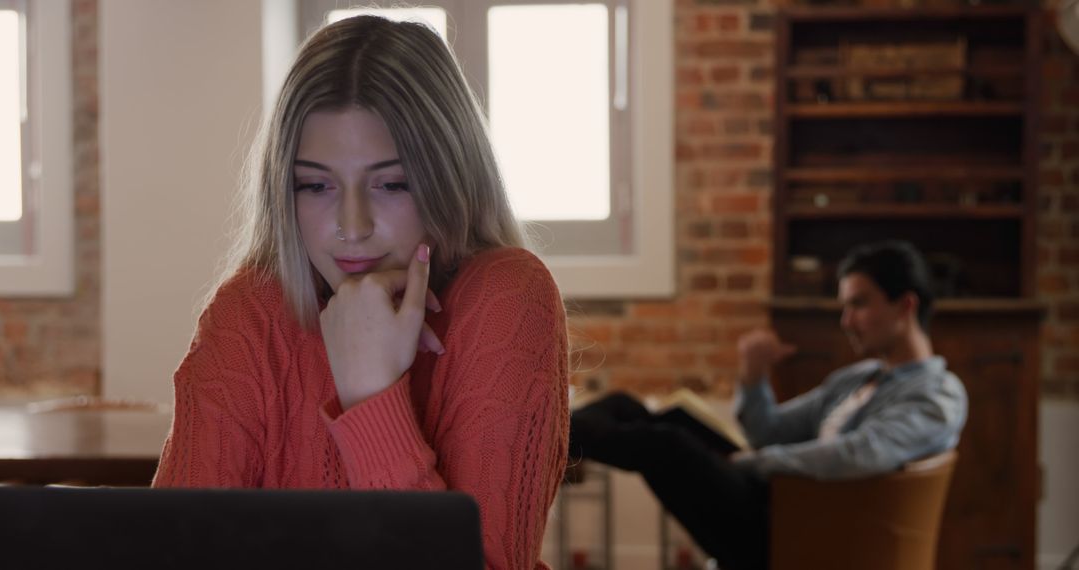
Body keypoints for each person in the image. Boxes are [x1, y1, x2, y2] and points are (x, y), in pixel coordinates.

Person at [153, 15, 569, 570]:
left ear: (450, 177)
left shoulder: (505, 299)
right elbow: (170, 551)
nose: (352, 224)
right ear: (285, 189)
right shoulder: (249, 313)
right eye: (316, 185)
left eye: (392, 183)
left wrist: (372, 398)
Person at [569, 240, 967, 570]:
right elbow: (768, 431)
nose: (847, 321)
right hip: (782, 503)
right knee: (630, 407)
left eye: (859, 304)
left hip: (802, 533)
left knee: (668, 445)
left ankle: (539, 438)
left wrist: (755, 463)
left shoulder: (936, 395)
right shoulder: (858, 379)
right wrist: (754, 376)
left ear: (905, 306)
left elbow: (862, 453)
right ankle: (558, 439)